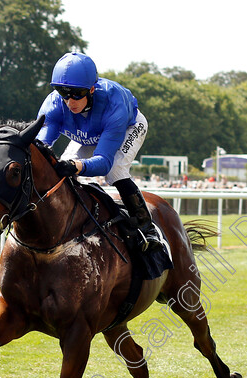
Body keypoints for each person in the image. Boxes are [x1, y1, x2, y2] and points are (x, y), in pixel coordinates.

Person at [36, 52, 162, 252]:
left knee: (116, 172)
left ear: (92, 89)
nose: (70, 102)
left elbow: (104, 162)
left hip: (128, 126)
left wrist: (77, 166)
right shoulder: (53, 105)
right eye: (63, 92)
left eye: (77, 94)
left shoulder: (114, 103)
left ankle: (148, 229)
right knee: (62, 170)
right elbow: (39, 148)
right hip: (86, 134)